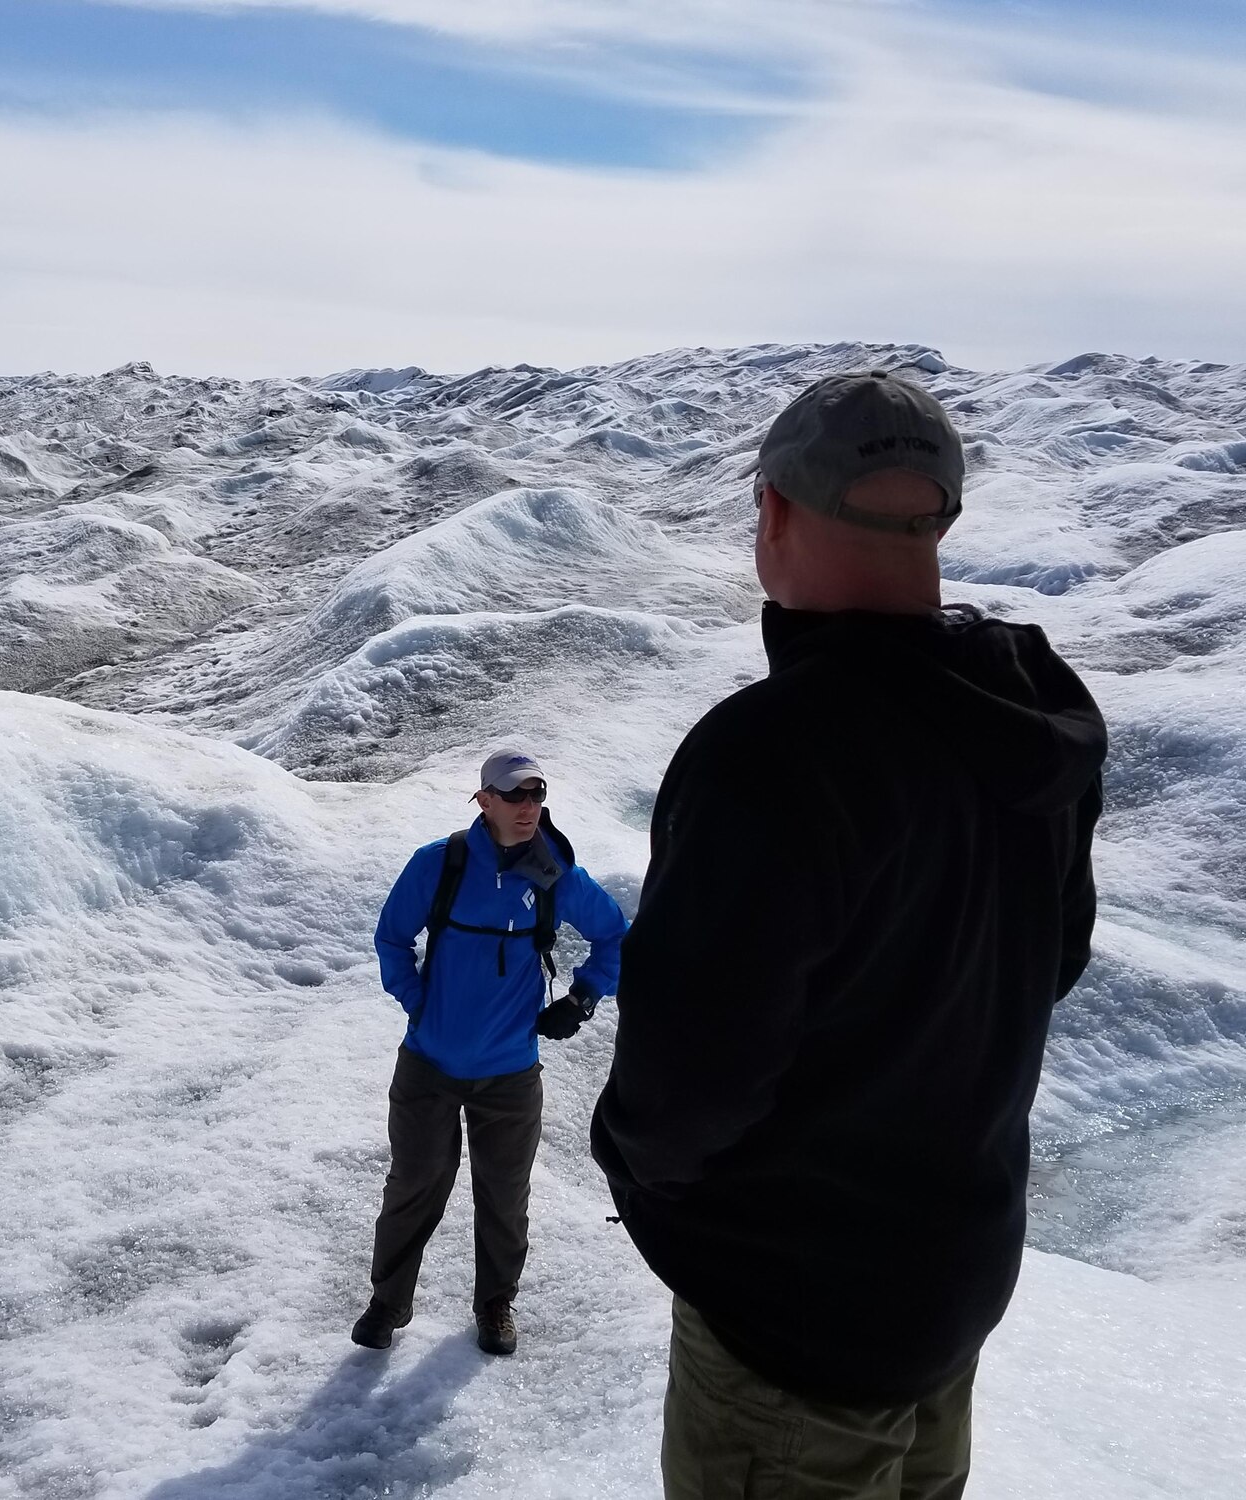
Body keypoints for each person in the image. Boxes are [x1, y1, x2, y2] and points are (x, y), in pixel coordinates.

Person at [591, 371, 1105, 1498]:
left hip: (794, 1332)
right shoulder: (1030, 712)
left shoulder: (770, 755)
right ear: (939, 517)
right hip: (949, 1284)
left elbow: (687, 1083)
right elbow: (1048, 961)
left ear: (773, 510)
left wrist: (644, 1179)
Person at [360, 749, 629, 1356]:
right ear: (483, 800)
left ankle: (495, 1307)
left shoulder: (552, 872)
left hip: (509, 1073)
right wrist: (418, 1002)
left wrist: (583, 998)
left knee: (504, 1197)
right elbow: (392, 938)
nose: (528, 806)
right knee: (413, 1186)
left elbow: (615, 935)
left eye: (536, 794)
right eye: (514, 795)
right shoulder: (441, 864)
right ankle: (387, 1304)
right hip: (429, 1064)